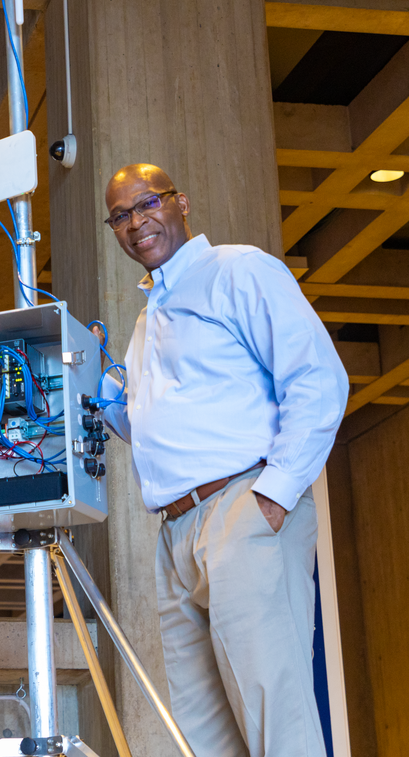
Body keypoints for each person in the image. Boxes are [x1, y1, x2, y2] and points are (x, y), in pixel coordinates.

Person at [98, 164, 348, 757]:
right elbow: (167, 427)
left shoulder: (238, 270)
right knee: (205, 733)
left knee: (275, 718)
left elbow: (317, 378)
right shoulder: (145, 320)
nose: (137, 223)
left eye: (147, 203)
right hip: (175, 532)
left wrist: (275, 494)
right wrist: (111, 406)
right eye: (121, 216)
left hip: (241, 509)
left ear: (181, 202)